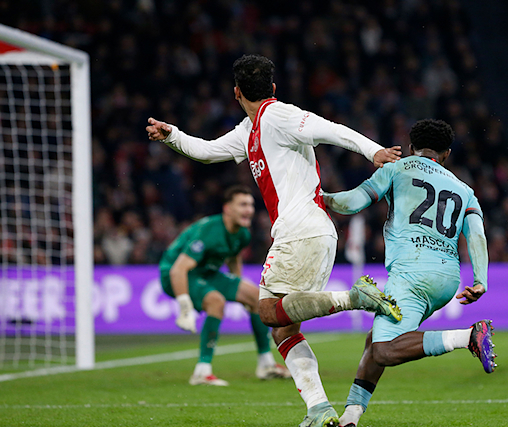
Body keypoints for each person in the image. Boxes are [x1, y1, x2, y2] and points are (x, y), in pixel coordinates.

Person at [147, 54, 403, 427]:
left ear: (236, 92)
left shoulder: (278, 115)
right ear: (272, 86)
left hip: (301, 230)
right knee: (284, 329)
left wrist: (373, 151)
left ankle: (355, 298)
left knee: (267, 311)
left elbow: (329, 129)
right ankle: (319, 409)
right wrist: (172, 135)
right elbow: (207, 152)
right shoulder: (247, 130)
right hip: (312, 232)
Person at [322, 119, 496, 427]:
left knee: (384, 350)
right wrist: (480, 281)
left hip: (412, 275)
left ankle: (468, 336)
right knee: (375, 340)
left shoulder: (397, 168)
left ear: (412, 147)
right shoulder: (465, 190)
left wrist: (320, 198)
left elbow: (352, 203)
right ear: (447, 153)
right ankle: (351, 415)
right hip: (447, 279)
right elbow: (477, 236)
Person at [159, 185, 290, 386]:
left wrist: (238, 284)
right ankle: (202, 372)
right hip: (177, 274)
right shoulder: (209, 231)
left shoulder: (243, 234)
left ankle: (266, 364)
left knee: (257, 298)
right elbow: (178, 269)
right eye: (243, 205)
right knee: (216, 301)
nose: (249, 210)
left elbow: (233, 257)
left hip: (207, 272)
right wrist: (185, 308)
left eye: (251, 205)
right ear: (227, 209)